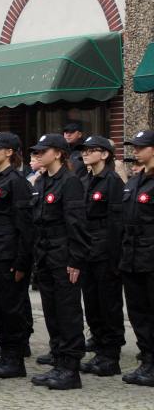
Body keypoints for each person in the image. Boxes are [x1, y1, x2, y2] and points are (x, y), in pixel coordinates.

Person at [29, 133, 88, 390]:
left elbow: (76, 224)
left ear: (59, 153)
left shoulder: (69, 182)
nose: (38, 155)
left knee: (67, 313)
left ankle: (70, 369)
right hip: (45, 255)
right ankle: (58, 360)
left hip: (63, 256)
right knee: (52, 313)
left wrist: (75, 260)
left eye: (43, 151)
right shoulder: (43, 182)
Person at [0, 133, 35, 378]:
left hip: (9, 255)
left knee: (11, 308)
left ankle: (14, 358)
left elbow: (25, 225)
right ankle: (5, 354)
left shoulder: (16, 181)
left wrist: (22, 261)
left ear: (10, 152)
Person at [78, 135, 125, 376]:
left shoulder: (112, 181)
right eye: (84, 150)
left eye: (91, 150)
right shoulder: (86, 180)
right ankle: (99, 349)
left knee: (109, 305)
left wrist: (116, 258)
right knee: (93, 304)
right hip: (87, 250)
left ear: (104, 154)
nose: (85, 153)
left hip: (105, 251)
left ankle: (111, 355)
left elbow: (117, 223)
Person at [120, 129, 154, 387]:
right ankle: (147, 360)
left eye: (141, 147)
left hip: (150, 257)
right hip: (132, 258)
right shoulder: (134, 181)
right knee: (138, 313)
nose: (135, 151)